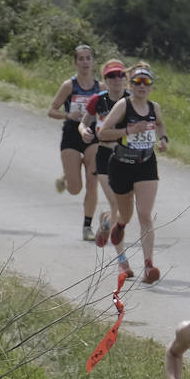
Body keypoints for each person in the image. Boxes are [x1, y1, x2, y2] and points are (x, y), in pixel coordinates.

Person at [95, 63, 168, 282]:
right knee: (125, 216)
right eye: (137, 82)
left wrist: (163, 139)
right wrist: (128, 130)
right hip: (121, 165)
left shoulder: (154, 108)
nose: (142, 86)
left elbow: (161, 125)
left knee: (145, 214)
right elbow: (103, 133)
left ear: (151, 86)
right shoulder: (123, 106)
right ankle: (113, 222)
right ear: (130, 84)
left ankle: (148, 266)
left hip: (146, 164)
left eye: (146, 82)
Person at [46, 44, 101, 241]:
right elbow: (51, 110)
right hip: (71, 135)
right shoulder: (69, 85)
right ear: (75, 62)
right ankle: (68, 176)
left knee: (92, 182)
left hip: (92, 136)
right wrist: (68, 114)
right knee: (75, 188)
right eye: (81, 59)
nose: (85, 62)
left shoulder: (100, 88)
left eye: (88, 58)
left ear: (93, 62)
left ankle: (87, 226)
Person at [78, 59, 129, 247]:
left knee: (124, 206)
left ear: (125, 78)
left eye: (120, 75)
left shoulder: (132, 99)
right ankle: (120, 256)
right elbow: (83, 122)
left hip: (127, 157)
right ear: (105, 80)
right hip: (105, 155)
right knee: (116, 201)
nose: (116, 80)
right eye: (111, 76)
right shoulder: (98, 100)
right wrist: (84, 131)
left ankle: (108, 221)